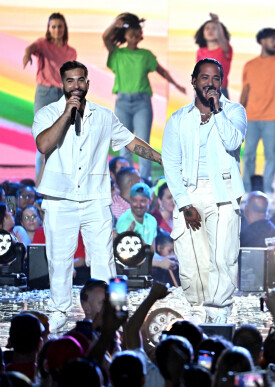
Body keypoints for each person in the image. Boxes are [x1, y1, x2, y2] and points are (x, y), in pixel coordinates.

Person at [32, 60, 162, 331]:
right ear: (62, 84)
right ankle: (59, 312)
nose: (76, 86)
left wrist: (164, 161)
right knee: (59, 259)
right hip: (60, 199)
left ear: (88, 83)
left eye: (81, 80)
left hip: (95, 199)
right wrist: (67, 114)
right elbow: (43, 144)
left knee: (104, 259)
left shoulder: (104, 116)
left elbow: (131, 142)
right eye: (70, 81)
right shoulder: (48, 113)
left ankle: (115, 311)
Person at [162, 58, 246, 324]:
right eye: (205, 78)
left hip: (223, 193)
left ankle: (219, 315)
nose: (210, 83)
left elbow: (233, 142)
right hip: (190, 193)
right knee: (192, 263)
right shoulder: (178, 119)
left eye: (216, 79)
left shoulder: (233, 112)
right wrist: (185, 204)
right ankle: (198, 313)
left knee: (223, 258)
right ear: (194, 81)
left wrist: (217, 111)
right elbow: (171, 164)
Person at [103, 12, 186, 180]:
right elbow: (105, 38)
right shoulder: (118, 53)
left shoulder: (146, 55)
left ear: (141, 35)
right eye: (131, 32)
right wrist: (114, 24)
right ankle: (123, 180)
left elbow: (161, 70)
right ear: (125, 34)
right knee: (124, 143)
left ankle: (145, 181)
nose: (134, 35)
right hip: (122, 102)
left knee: (143, 143)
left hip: (142, 103)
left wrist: (176, 84)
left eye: (137, 32)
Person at [23, 13, 77, 182]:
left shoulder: (71, 52)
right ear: (49, 29)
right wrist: (27, 56)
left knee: (61, 142)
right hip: (44, 94)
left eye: (59, 26)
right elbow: (30, 48)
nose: (56, 30)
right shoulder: (42, 44)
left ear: (64, 28)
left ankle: (58, 182)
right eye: (53, 27)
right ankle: (39, 184)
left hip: (62, 95)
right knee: (43, 141)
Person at [240, 27, 275, 195]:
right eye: (272, 39)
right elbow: (245, 91)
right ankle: (246, 190)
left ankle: (267, 190)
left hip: (272, 117)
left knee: (271, 156)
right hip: (251, 117)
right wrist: (239, 113)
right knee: (248, 155)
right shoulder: (249, 65)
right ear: (262, 41)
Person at [194, 13, 233, 98]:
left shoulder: (224, 49)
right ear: (203, 33)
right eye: (207, 28)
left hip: (220, 90)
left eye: (214, 28)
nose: (210, 31)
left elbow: (222, 40)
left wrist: (217, 23)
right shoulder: (200, 51)